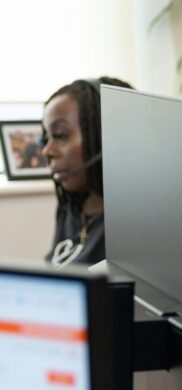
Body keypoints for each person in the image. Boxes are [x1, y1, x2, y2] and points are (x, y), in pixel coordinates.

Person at [40, 77, 133, 267]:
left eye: (60, 135)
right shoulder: (71, 206)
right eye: (46, 138)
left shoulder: (136, 224)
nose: (46, 151)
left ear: (104, 134)